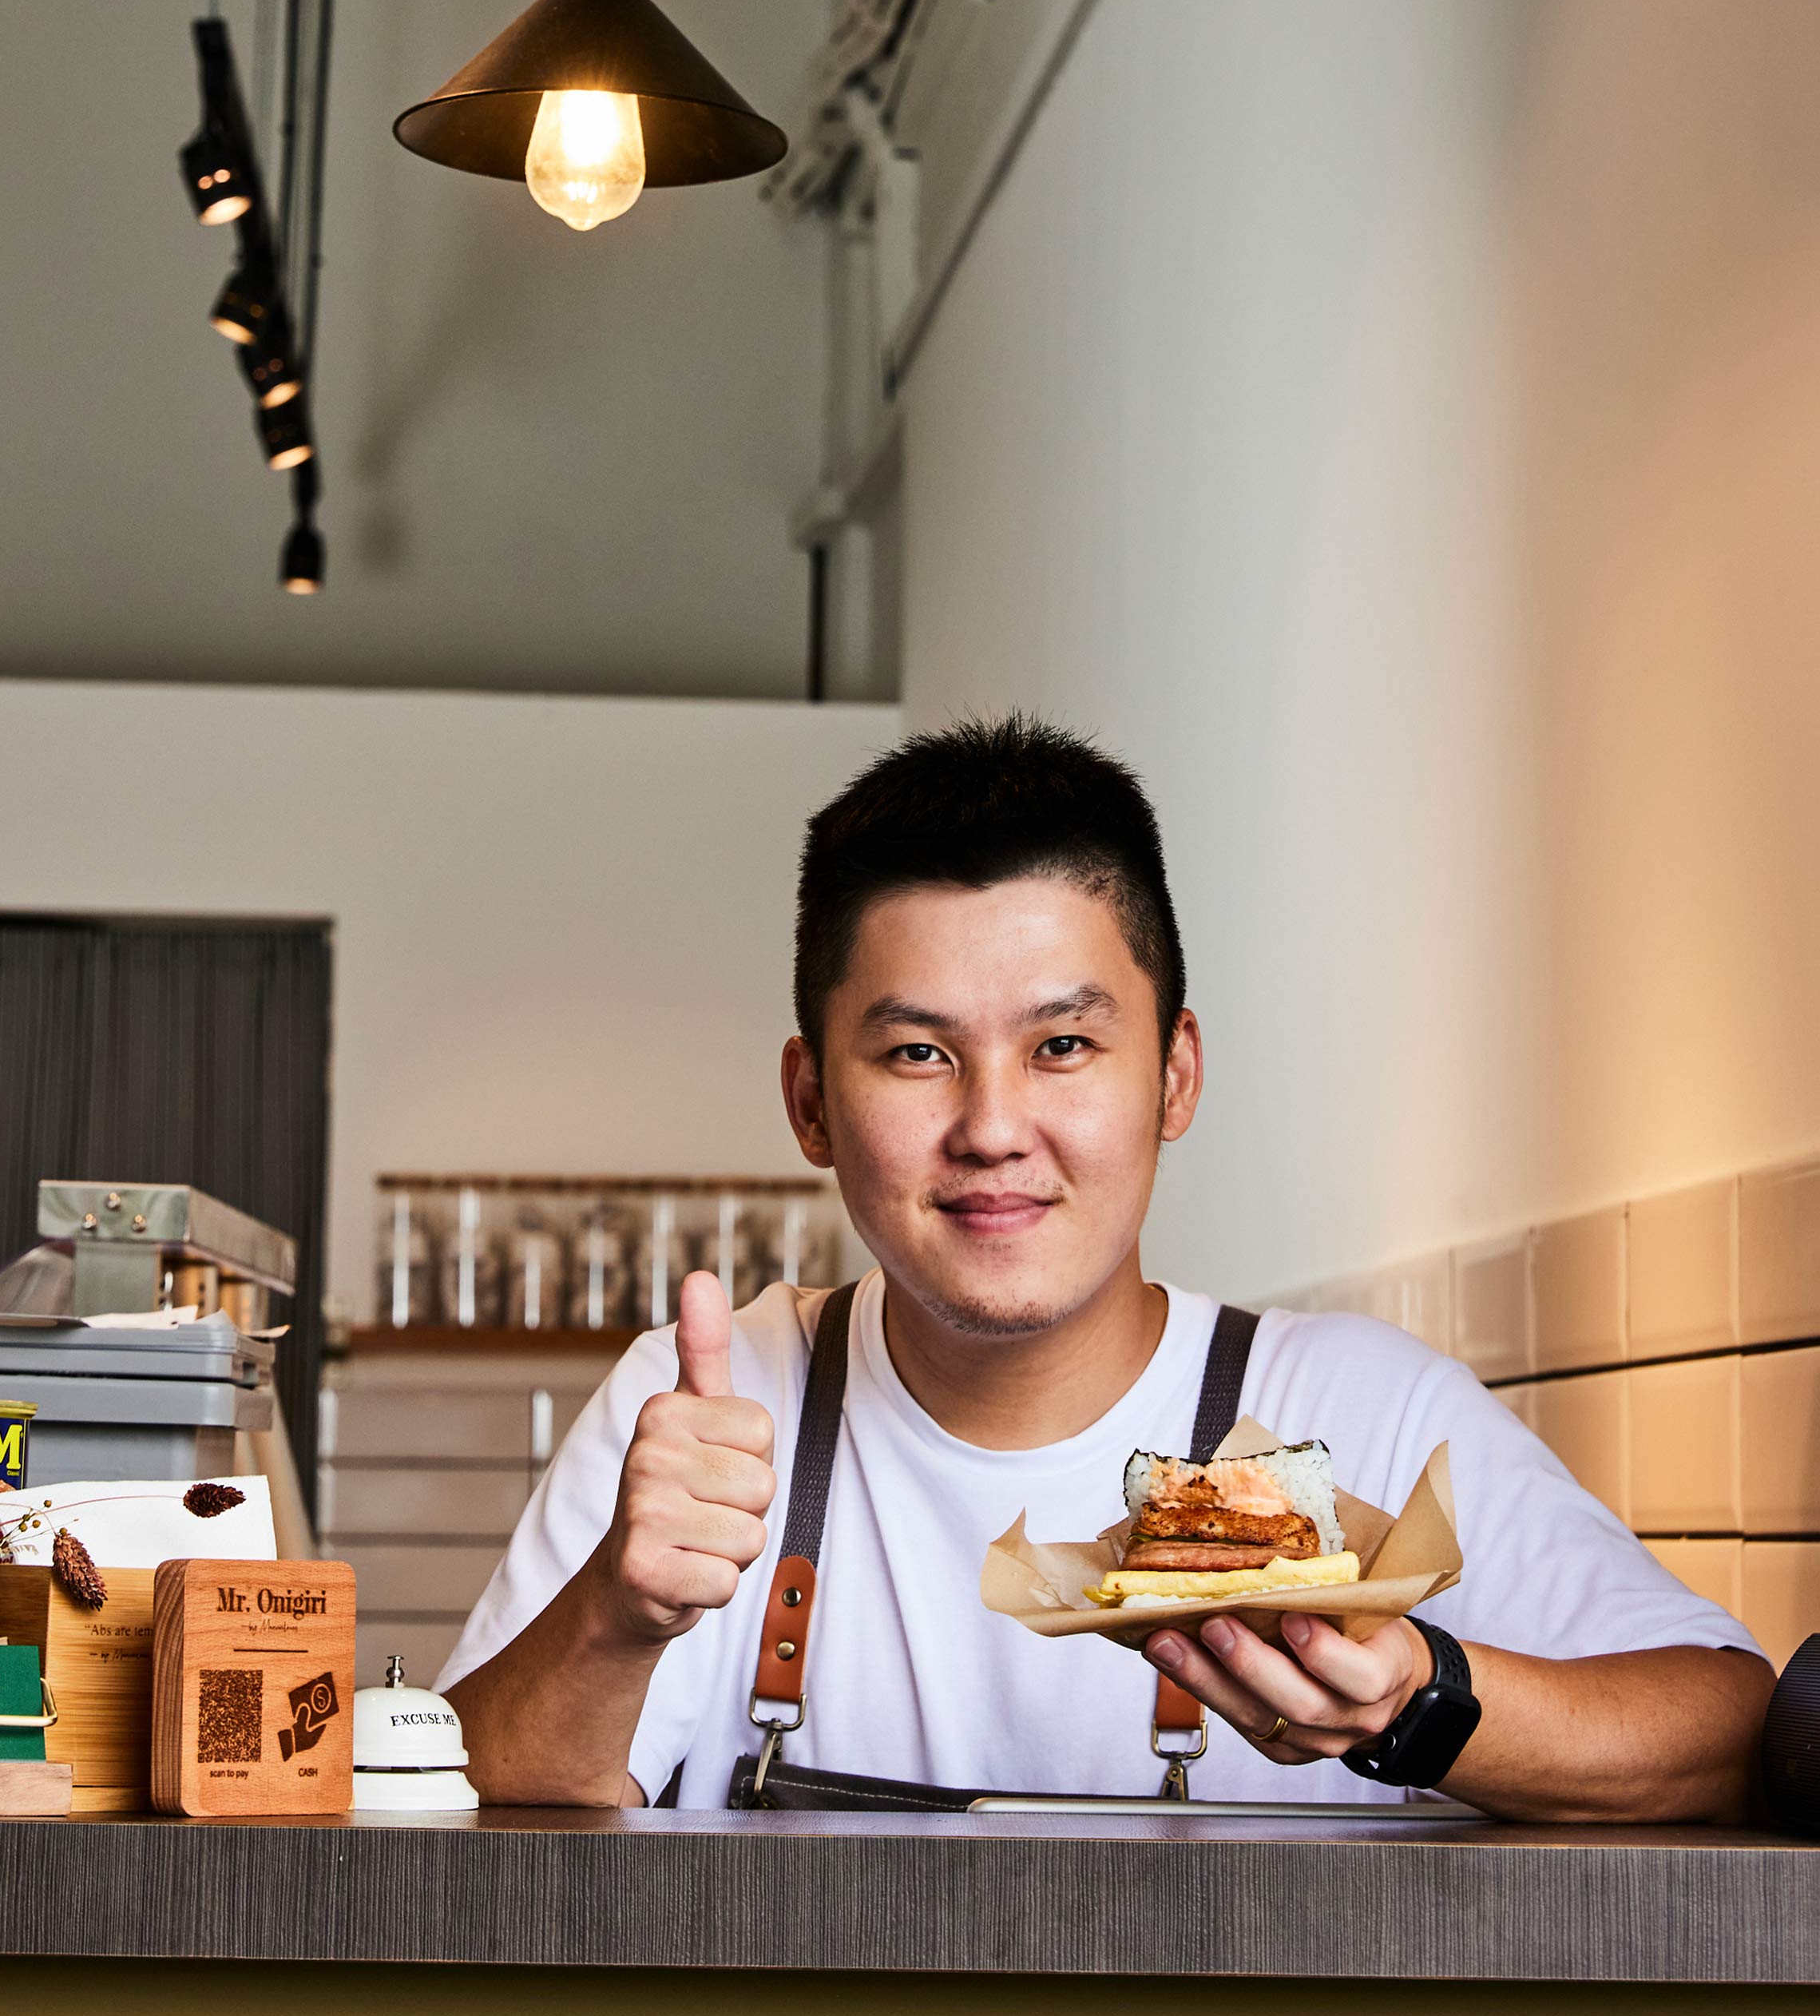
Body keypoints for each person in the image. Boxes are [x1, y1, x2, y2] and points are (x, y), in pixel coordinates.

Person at [442, 718, 1771, 1817]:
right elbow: (450, 1808)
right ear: (810, 1102)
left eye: (1064, 1046)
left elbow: (1725, 1723)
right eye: (917, 1053)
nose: (993, 1125)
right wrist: (616, 1613)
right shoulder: (706, 1412)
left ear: (1174, 1074)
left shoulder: (1365, 1412)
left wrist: (1423, 1698)